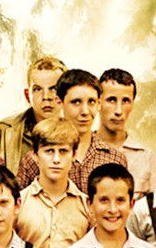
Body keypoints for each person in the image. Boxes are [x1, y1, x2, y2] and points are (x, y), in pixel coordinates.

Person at [14, 119, 91, 248]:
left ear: (74, 155)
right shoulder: (18, 204)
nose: (56, 159)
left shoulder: (86, 206)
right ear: (35, 155)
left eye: (63, 151)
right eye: (49, 151)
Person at [54, 69, 130, 198]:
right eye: (76, 102)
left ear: (99, 103)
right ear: (59, 102)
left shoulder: (115, 159)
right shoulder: (39, 158)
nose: (85, 111)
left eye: (91, 102)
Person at [0, 55, 66, 178]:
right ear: (27, 95)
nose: (46, 97)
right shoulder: (3, 132)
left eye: (54, 89)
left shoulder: (79, 132)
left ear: (66, 93)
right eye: (37, 89)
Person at [95, 68, 156, 195]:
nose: (118, 111)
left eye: (125, 101)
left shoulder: (148, 159)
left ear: (132, 104)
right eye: (111, 100)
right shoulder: (78, 152)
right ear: (98, 102)